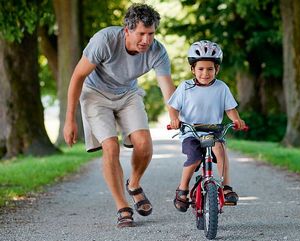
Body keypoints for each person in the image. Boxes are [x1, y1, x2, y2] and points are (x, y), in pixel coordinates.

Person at [63, 3, 175, 228]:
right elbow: (77, 77)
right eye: (141, 34)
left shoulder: (157, 51)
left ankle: (133, 184)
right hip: (95, 95)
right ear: (127, 30)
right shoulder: (104, 41)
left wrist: (175, 117)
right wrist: (69, 120)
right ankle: (122, 206)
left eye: (151, 34)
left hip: (127, 94)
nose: (146, 40)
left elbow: (167, 88)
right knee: (111, 147)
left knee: (144, 144)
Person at [168, 40, 246, 212]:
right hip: (191, 131)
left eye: (210, 69)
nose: (205, 73)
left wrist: (236, 120)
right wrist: (174, 119)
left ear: (216, 69)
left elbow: (230, 109)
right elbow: (173, 107)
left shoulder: (221, 87)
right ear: (193, 69)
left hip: (213, 131)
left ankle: (226, 187)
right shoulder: (185, 87)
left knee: (220, 148)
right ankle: (182, 189)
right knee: (194, 157)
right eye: (201, 69)